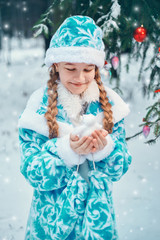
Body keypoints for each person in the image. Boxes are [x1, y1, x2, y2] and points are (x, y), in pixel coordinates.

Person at [18, 15, 132, 240]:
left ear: (96, 69)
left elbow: (119, 167)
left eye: (88, 70)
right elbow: (32, 171)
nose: (80, 78)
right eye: (70, 68)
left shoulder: (109, 105)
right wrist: (67, 152)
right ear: (56, 65)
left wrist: (105, 148)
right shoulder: (39, 108)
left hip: (95, 221)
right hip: (51, 220)